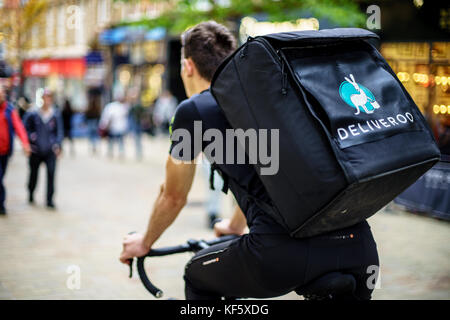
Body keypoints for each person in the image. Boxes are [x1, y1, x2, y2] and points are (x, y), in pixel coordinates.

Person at [120, 21, 379, 300]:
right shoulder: (269, 101)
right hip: (358, 248)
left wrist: (144, 242)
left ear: (188, 66)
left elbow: (173, 197)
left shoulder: (194, 110)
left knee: (197, 276)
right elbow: (270, 174)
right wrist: (233, 226)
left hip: (280, 256)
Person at [23, 89, 63, 209]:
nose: (47, 100)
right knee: (33, 173)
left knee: (51, 174)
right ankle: (31, 192)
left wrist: (58, 145)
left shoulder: (55, 114)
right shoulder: (33, 113)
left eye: (49, 97)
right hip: (36, 150)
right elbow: (25, 128)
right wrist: (30, 139)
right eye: (45, 97)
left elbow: (59, 132)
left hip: (50, 150)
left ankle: (49, 199)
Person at [0, 86, 31, 215]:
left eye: (1, 93)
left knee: (1, 177)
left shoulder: (9, 110)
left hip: (5, 152)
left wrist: (25, 143)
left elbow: (19, 127)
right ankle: (1, 204)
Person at [99, 90, 129, 158]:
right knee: (118, 141)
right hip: (116, 127)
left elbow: (106, 117)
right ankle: (117, 152)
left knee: (114, 140)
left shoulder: (118, 106)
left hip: (116, 127)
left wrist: (104, 125)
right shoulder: (121, 107)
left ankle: (113, 152)